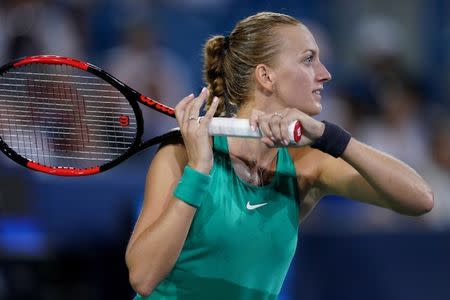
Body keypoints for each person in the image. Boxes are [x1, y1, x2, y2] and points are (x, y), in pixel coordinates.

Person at [125, 12, 434, 300]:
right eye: (308, 60)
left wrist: (330, 135)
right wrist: (199, 171)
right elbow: (143, 277)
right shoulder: (180, 156)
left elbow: (420, 200)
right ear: (267, 76)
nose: (325, 74)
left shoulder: (308, 166)